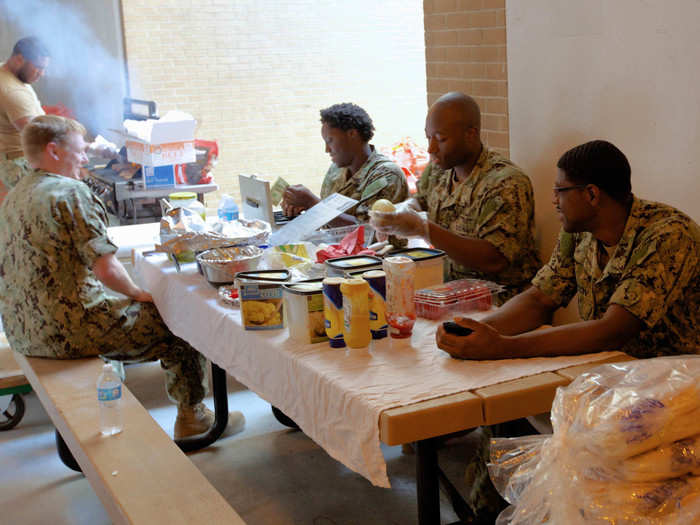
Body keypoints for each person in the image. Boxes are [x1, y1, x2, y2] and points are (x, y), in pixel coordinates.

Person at [435, 139, 699, 523]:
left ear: (591, 194)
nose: (554, 201)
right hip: (616, 376)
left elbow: (612, 329)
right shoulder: (579, 232)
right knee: (506, 410)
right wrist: (478, 330)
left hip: (677, 391)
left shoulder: (666, 235)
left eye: (560, 191)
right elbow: (541, 298)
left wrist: (502, 347)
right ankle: (490, 512)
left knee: (589, 465)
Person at [0, 115, 244, 439]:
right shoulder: (70, 193)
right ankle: (193, 417)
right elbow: (107, 269)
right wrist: (137, 293)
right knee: (181, 322)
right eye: (80, 151)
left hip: (22, 329)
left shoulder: (15, 195)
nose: (86, 159)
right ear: (54, 150)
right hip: (67, 332)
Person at [370, 92, 541, 302]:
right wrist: (402, 211)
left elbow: (494, 259)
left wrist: (423, 229)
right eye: (428, 137)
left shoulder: (505, 183)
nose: (431, 148)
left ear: (471, 134)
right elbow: (423, 199)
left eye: (441, 139)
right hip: (451, 294)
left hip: (501, 302)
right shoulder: (440, 170)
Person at [281, 102, 408, 228]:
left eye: (330, 141)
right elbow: (328, 220)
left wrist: (313, 203)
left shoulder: (387, 175)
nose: (327, 149)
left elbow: (369, 232)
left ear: (352, 134)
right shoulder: (336, 169)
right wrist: (303, 206)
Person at [0, 36, 49, 204]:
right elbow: (38, 134)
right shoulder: (11, 90)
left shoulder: (8, 75)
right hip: (19, 164)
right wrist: (86, 146)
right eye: (38, 68)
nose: (42, 74)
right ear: (20, 59)